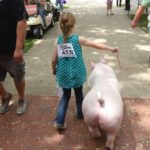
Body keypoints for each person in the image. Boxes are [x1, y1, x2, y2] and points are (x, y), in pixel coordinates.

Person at [51, 12, 119, 129]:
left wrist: (54, 70)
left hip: (63, 74)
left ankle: (59, 121)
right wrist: (111, 49)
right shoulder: (78, 39)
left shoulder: (58, 41)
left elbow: (53, 60)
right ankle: (81, 114)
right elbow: (95, 45)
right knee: (79, 94)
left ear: (60, 25)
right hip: (77, 73)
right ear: (73, 25)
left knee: (65, 96)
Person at [0, 0, 28, 115]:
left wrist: (18, 48)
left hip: (11, 50)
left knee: (18, 76)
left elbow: (21, 21)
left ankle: (21, 99)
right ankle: (5, 97)